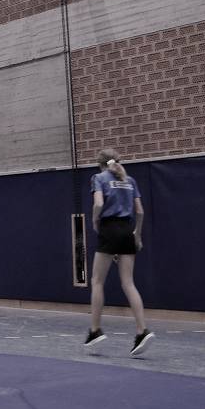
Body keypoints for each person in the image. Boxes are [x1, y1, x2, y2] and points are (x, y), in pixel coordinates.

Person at [84, 150, 153, 356]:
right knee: (128, 283)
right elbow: (140, 211)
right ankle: (142, 330)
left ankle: (95, 330)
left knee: (97, 281)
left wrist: (94, 220)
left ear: (100, 164)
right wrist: (137, 235)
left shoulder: (98, 178)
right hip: (127, 229)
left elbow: (98, 203)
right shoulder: (129, 180)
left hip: (109, 228)